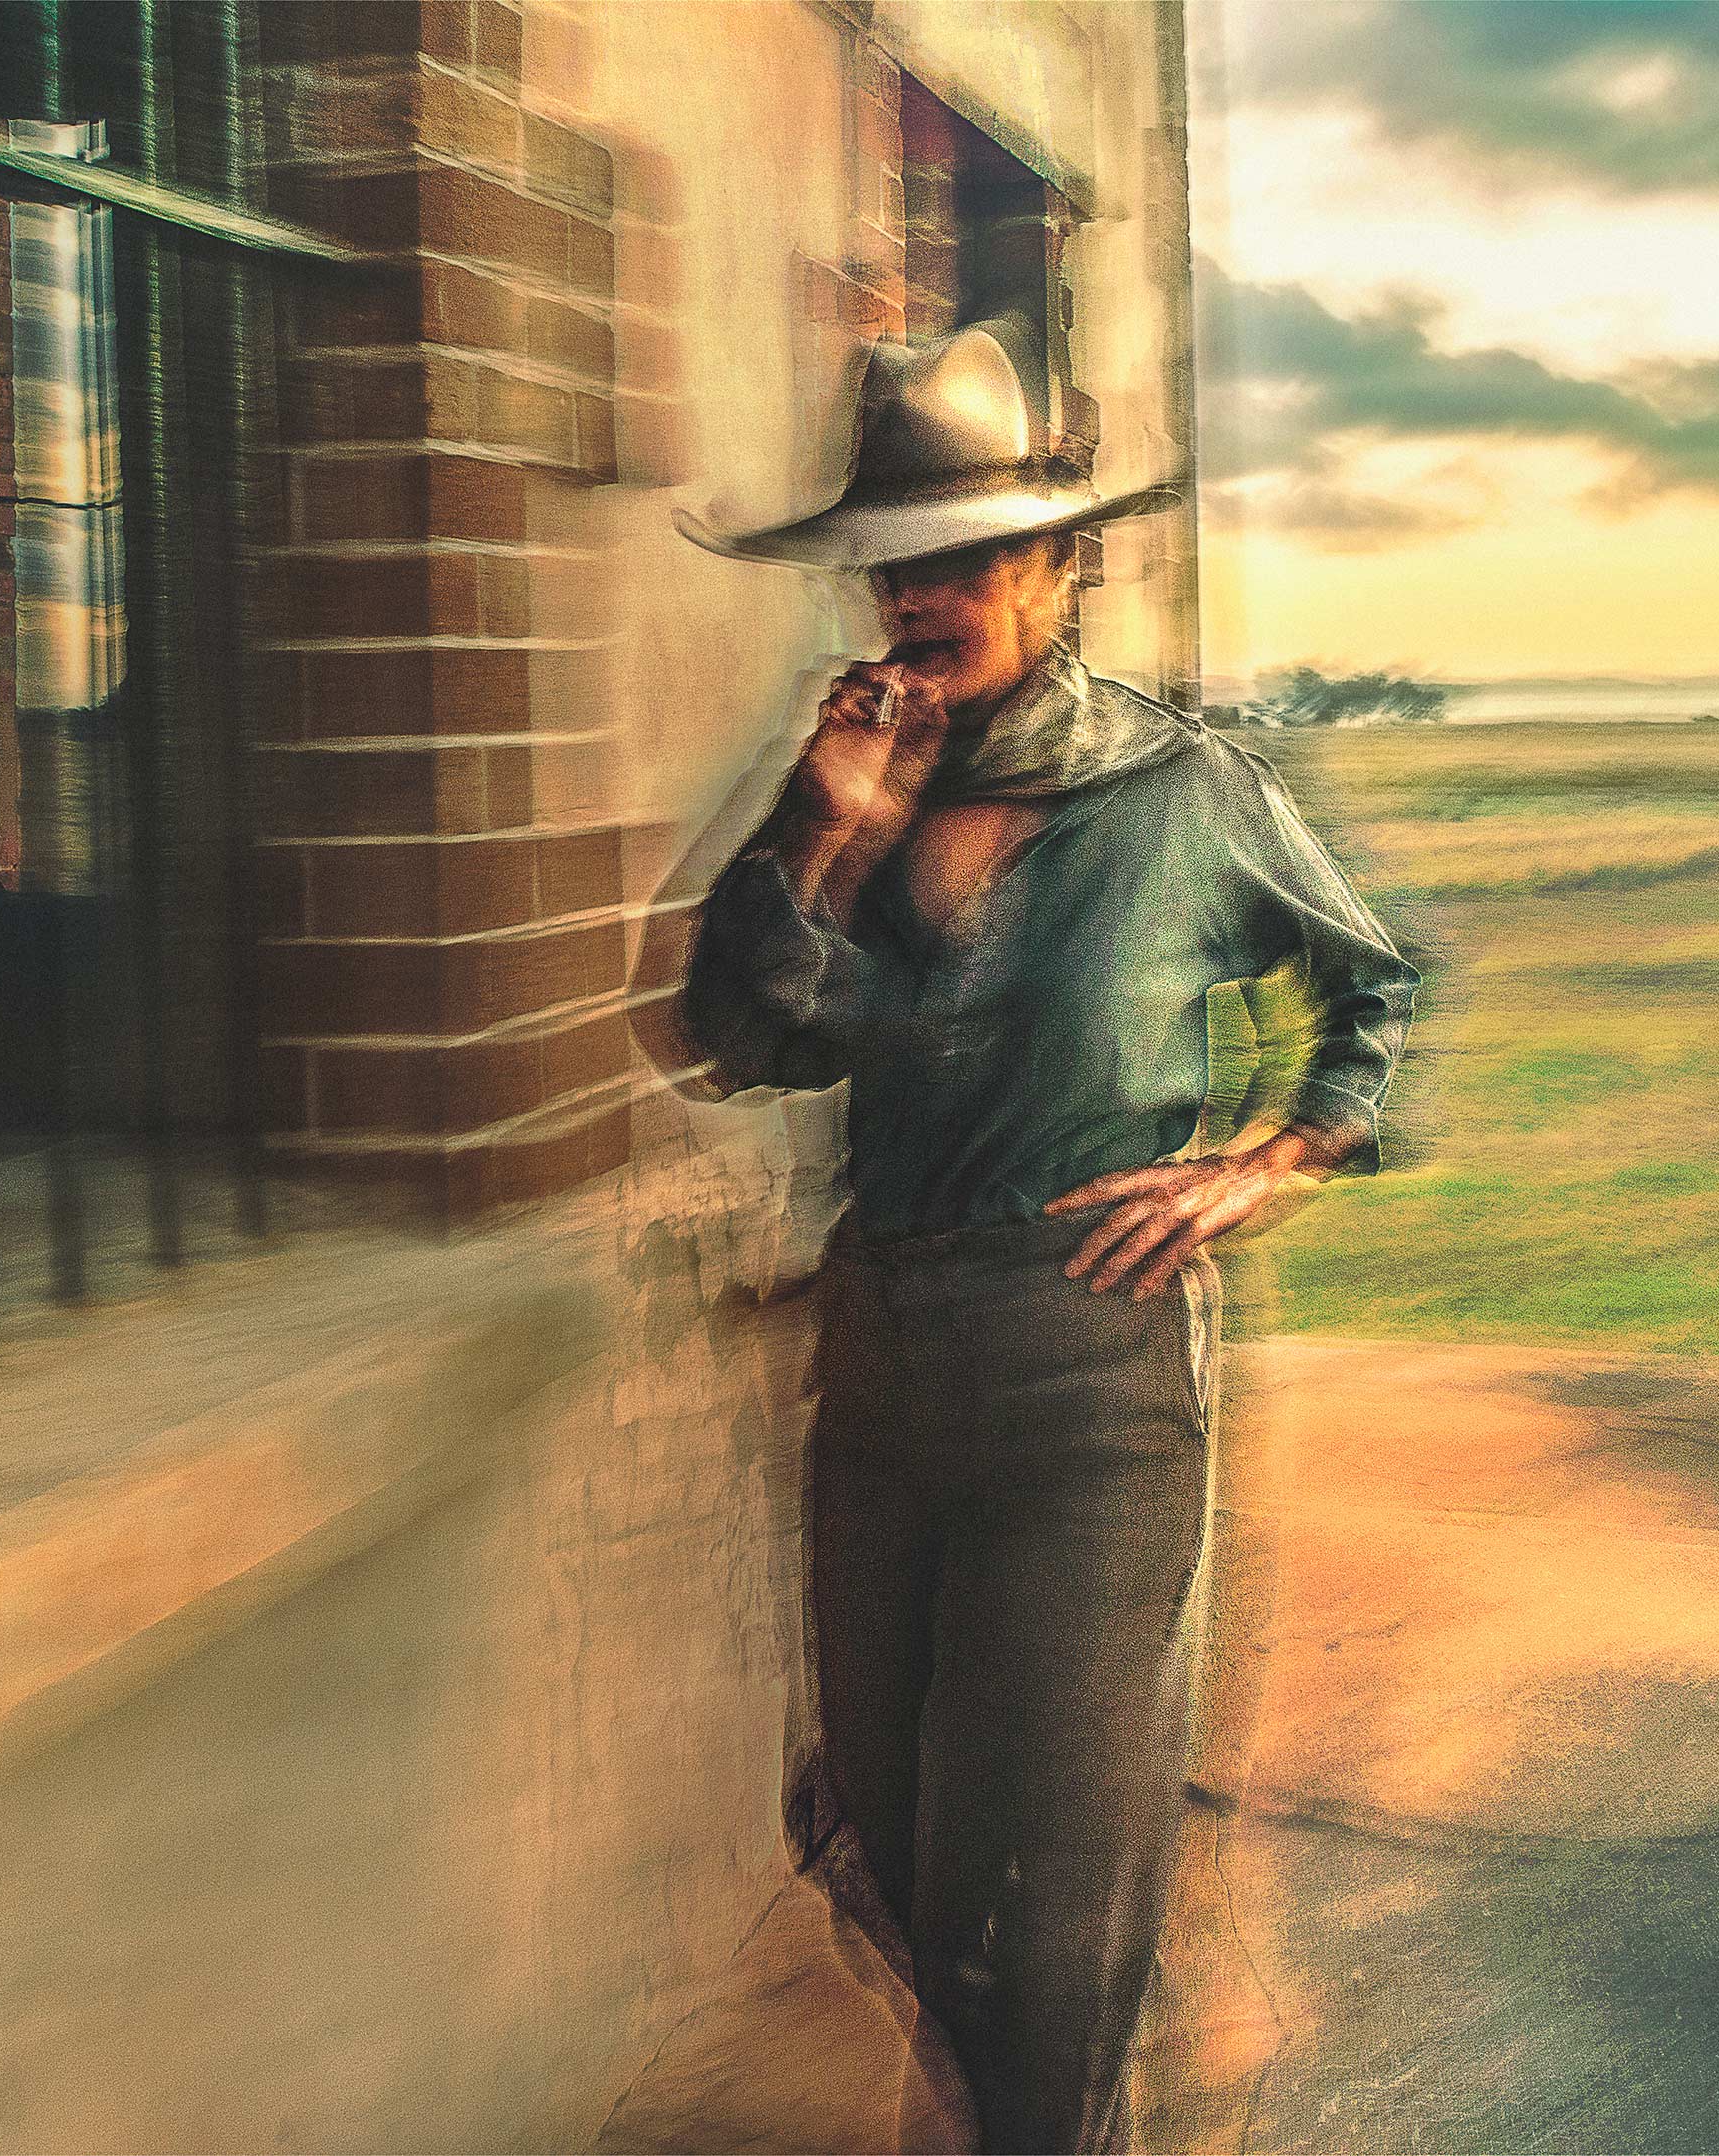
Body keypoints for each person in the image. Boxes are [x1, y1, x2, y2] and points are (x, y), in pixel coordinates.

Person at [665, 322, 1419, 2153]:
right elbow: (729, 1038)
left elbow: (1375, 988)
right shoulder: (847, 779)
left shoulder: (1180, 791)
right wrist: (827, 842)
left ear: (1061, 569)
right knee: (885, 1835)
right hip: (883, 1361)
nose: (924, 597)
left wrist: (1269, 1157)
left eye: (970, 558)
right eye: (898, 563)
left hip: (1090, 1369)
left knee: (1055, 1891)